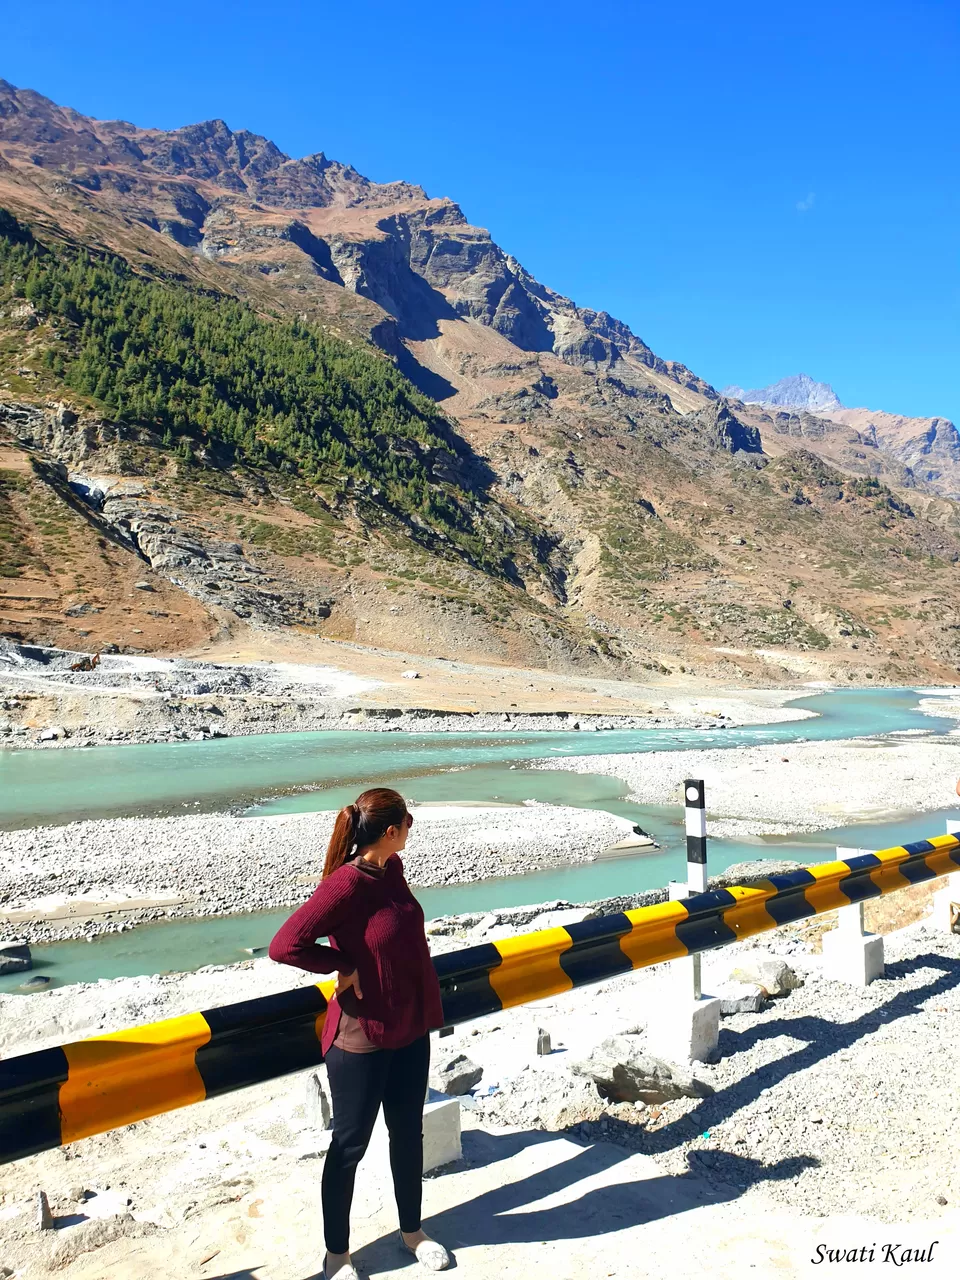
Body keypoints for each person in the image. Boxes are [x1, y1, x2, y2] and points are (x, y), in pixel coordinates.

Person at [268, 787, 450, 1280]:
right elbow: (285, 945)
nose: (412, 826)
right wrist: (341, 965)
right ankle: (337, 1256)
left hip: (409, 1028)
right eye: (408, 820)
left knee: (408, 1134)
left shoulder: (393, 870)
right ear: (390, 832)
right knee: (349, 1146)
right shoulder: (346, 884)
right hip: (361, 1036)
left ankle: (412, 1233)